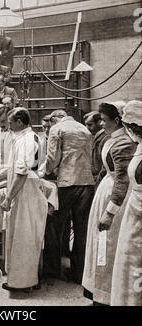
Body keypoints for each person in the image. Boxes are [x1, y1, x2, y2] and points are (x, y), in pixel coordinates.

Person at [82, 102, 137, 306]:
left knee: (108, 244)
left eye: (104, 120)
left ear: (117, 120)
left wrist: (110, 211)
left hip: (117, 198)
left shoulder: (124, 142)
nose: (101, 124)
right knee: (102, 244)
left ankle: (108, 292)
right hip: (106, 191)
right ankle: (100, 289)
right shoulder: (114, 138)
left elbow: (122, 178)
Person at [1, 108, 48, 292]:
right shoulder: (23, 138)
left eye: (10, 121)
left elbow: (21, 173)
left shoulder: (27, 140)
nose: (8, 125)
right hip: (25, 187)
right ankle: (22, 280)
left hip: (26, 189)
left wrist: (8, 198)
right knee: (21, 236)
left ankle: (24, 283)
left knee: (24, 237)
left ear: (20, 121)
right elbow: (13, 168)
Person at [46, 110, 95, 284]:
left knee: (53, 225)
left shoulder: (57, 129)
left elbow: (53, 158)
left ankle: (52, 269)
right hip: (87, 182)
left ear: (54, 119)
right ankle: (78, 273)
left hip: (67, 183)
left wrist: (45, 172)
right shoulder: (85, 129)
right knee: (81, 230)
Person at [111, 100, 142, 306]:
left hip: (138, 212)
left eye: (130, 127)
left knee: (135, 267)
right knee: (127, 265)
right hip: (133, 212)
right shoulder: (139, 146)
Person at [84, 111, 110, 184]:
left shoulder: (104, 138)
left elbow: (102, 164)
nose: (87, 128)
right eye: (86, 125)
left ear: (99, 122)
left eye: (90, 125)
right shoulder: (98, 136)